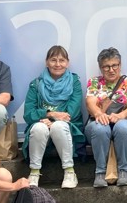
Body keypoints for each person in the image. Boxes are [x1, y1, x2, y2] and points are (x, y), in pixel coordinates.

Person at [23, 45, 83, 188]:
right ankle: (34, 172)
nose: (57, 64)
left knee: (58, 126)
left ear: (67, 63)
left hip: (67, 127)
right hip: (41, 125)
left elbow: (72, 113)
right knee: (38, 128)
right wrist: (49, 114)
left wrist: (52, 120)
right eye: (53, 60)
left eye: (61, 60)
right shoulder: (36, 84)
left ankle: (69, 172)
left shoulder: (74, 82)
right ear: (46, 62)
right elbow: (28, 114)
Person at [84, 47, 127, 188]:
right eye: (106, 66)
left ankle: (123, 171)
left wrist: (121, 116)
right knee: (100, 128)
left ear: (120, 65)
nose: (111, 70)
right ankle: (100, 172)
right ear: (100, 68)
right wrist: (99, 114)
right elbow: (90, 102)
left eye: (115, 65)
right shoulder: (94, 82)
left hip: (124, 120)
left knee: (122, 127)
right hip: (99, 121)